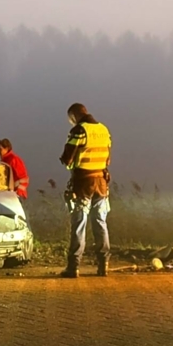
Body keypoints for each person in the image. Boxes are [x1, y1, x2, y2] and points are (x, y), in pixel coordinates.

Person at [58, 102, 111, 278]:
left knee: (79, 224)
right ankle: (103, 266)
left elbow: (67, 159)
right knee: (100, 223)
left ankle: (73, 267)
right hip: (102, 183)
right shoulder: (104, 130)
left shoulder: (79, 130)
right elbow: (107, 159)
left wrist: (71, 165)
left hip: (83, 183)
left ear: (74, 116)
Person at [0, 138, 30, 202]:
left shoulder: (14, 160)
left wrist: (18, 192)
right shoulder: (4, 162)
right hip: (9, 195)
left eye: (0, 149)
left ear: (6, 149)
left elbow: (23, 178)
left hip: (17, 196)